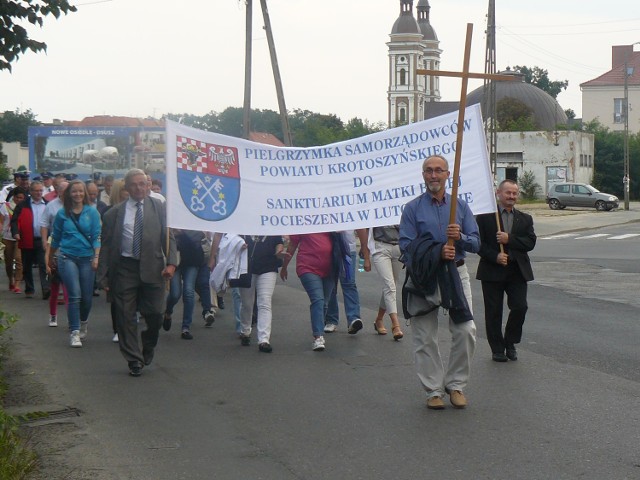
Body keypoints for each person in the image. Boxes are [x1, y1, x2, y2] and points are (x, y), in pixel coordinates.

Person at [399, 155, 480, 410]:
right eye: (428, 171)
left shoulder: (461, 207)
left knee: (466, 330)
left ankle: (456, 385)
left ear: (448, 175)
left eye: (438, 171)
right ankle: (433, 390)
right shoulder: (412, 209)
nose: (433, 175)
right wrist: (436, 252)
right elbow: (405, 246)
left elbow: (477, 243)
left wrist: (461, 237)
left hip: (456, 274)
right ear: (423, 175)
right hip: (425, 278)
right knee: (424, 336)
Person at [97, 168, 177, 377]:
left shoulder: (159, 207)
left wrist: (171, 264)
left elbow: (169, 238)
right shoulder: (113, 213)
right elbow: (106, 246)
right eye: (134, 184)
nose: (139, 188)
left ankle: (148, 345)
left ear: (148, 185)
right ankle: (134, 359)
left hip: (154, 269)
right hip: (125, 269)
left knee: (156, 315)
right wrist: (103, 276)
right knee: (125, 316)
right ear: (127, 187)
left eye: (143, 183)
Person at [476, 179, 536, 362]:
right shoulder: (486, 217)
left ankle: (510, 342)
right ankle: (497, 348)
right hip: (492, 270)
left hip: (517, 270)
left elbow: (530, 242)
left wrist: (509, 239)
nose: (511, 197)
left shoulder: (525, 219)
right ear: (498, 193)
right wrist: (495, 256)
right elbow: (478, 244)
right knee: (493, 311)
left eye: (514, 193)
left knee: (520, 307)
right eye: (508, 193)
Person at [49, 180, 102, 347]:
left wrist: (96, 257)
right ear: (68, 194)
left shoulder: (92, 212)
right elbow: (55, 237)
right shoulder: (61, 214)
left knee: (86, 297)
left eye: (80, 191)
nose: (77, 194)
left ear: (84, 193)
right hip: (67, 256)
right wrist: (50, 258)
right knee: (74, 294)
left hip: (87, 257)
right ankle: (74, 331)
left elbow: (96, 236)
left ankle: (83, 321)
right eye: (74, 191)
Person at [280, 233, 336, 352]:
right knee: (318, 299)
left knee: (324, 302)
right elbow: (293, 244)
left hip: (331, 269)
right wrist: (284, 266)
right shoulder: (304, 220)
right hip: (307, 267)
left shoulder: (330, 219)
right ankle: (318, 336)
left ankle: (319, 328)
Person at [238, 235, 286, 352]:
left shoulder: (268, 220)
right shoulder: (243, 222)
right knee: (247, 303)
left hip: (268, 265)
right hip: (247, 266)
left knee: (265, 301)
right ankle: (245, 330)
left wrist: (279, 249)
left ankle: (264, 340)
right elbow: (233, 239)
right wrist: (239, 245)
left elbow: (278, 241)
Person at [164, 229, 211, 340]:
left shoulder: (193, 216)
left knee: (189, 292)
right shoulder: (172, 214)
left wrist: (182, 232)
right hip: (174, 258)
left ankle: (186, 327)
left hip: (192, 258)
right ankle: (168, 312)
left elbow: (199, 234)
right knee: (175, 294)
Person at [10, 180, 50, 299]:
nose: (39, 193)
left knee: (43, 265)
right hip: (27, 239)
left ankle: (45, 289)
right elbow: (15, 221)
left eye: (40, 191)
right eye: (36, 191)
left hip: (42, 240)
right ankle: (29, 289)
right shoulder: (22, 205)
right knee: (27, 266)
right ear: (31, 192)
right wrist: (16, 232)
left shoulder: (47, 205)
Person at [323, 230, 367, 335]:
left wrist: (365, 248)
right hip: (327, 247)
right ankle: (331, 319)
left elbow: (360, 227)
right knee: (330, 284)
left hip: (347, 248)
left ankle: (353, 318)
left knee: (349, 283)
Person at [40, 178, 70, 327]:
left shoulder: (75, 206)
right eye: (62, 190)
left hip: (71, 248)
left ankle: (72, 318)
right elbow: (44, 224)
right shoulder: (51, 206)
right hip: (55, 247)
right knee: (55, 287)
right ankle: (53, 315)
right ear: (57, 191)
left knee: (68, 288)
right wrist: (45, 242)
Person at [369, 225, 405, 340]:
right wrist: (365, 253)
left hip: (398, 247)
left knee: (390, 286)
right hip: (380, 247)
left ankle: (379, 319)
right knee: (390, 286)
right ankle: (395, 325)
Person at [0, 187, 27, 294]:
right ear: (13, 197)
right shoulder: (5, 207)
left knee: (19, 259)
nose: (20, 200)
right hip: (7, 237)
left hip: (20, 237)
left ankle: (17, 283)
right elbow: (1, 221)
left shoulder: (25, 207)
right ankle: (11, 279)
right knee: (8, 262)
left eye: (22, 198)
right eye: (18, 197)